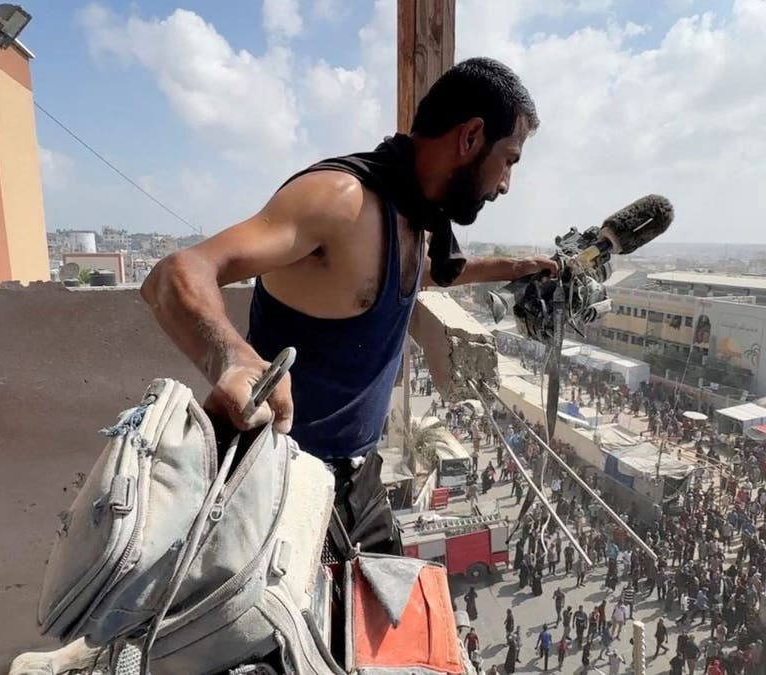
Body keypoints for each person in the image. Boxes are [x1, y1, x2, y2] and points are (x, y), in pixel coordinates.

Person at [141, 58, 549, 555]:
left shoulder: (414, 217)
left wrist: (513, 267)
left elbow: (407, 276)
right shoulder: (341, 200)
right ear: (471, 136)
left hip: (358, 480)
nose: (505, 183)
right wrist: (232, 357)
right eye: (508, 159)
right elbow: (176, 273)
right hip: (272, 484)